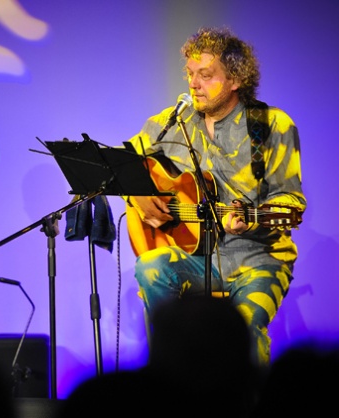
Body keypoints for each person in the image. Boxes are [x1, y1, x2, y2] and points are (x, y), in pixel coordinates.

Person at [124, 27, 306, 367]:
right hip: (196, 258)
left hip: (259, 257)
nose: (193, 84)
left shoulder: (272, 125)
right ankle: (167, 377)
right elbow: (124, 162)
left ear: (235, 79)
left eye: (206, 76)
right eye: (190, 74)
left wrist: (248, 222)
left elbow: (290, 202)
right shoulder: (172, 122)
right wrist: (139, 197)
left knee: (244, 330)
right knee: (150, 266)